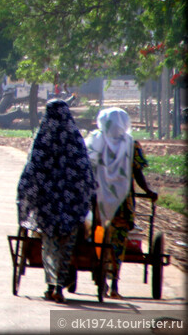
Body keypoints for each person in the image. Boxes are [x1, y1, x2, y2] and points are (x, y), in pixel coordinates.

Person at [16, 99, 96, 304]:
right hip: (71, 206)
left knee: (49, 245)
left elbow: (32, 168)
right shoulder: (75, 138)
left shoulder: (42, 138)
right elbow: (84, 171)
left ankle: (52, 285)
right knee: (67, 245)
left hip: (47, 204)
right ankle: (58, 285)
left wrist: (26, 194)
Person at [85, 107, 158, 299]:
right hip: (122, 204)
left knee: (95, 235)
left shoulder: (95, 140)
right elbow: (137, 172)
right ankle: (114, 284)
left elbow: (87, 166)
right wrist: (148, 191)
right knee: (118, 242)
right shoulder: (132, 144)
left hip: (96, 201)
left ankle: (98, 273)